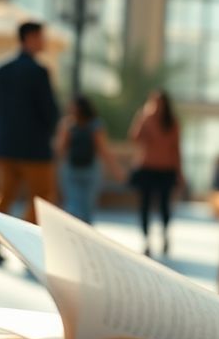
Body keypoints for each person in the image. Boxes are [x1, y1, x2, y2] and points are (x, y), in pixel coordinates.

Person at [0, 21, 60, 264]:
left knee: (4, 195)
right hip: (35, 149)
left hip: (6, 147)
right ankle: (22, 242)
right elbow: (49, 112)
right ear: (29, 38)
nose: (44, 42)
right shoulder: (39, 72)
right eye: (41, 37)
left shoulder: (0, 70)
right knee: (42, 198)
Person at [54, 96, 125, 224]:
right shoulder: (68, 125)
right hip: (72, 171)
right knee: (73, 207)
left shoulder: (95, 125)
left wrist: (116, 170)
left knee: (87, 209)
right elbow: (61, 148)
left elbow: (103, 150)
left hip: (90, 171)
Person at [128, 90, 183, 256]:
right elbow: (134, 138)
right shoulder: (145, 118)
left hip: (165, 170)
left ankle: (165, 234)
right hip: (147, 168)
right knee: (144, 205)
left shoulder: (172, 123)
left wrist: (180, 173)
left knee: (164, 205)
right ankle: (146, 239)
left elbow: (176, 150)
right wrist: (143, 118)